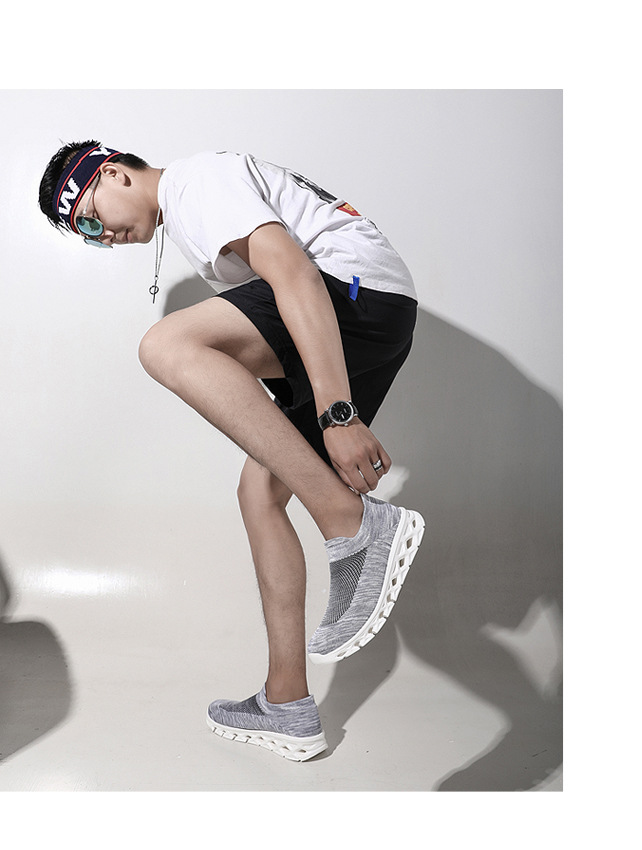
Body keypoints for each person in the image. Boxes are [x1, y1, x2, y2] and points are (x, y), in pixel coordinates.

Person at [38, 141, 425, 762]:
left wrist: (337, 412)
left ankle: (350, 522)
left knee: (165, 345)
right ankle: (287, 703)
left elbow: (294, 273)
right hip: (366, 311)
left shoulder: (195, 184)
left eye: (89, 219)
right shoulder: (192, 208)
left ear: (111, 174)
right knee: (259, 493)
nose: (101, 237)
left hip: (350, 293)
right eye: (87, 237)